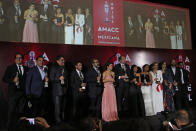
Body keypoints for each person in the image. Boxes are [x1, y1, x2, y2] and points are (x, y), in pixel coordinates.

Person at [3, 53, 28, 128]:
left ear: (23, 59)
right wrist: (13, 80)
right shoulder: (10, 68)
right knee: (11, 111)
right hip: (13, 93)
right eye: (17, 58)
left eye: (20, 58)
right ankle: (9, 126)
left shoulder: (26, 68)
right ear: (15, 59)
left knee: (21, 111)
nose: (19, 59)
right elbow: (4, 79)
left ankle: (19, 126)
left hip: (23, 94)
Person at [50, 55, 68, 123]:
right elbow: (51, 78)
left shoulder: (64, 68)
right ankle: (58, 121)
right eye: (61, 60)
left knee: (62, 107)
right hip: (57, 91)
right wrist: (58, 79)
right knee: (57, 107)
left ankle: (62, 119)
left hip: (64, 91)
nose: (63, 61)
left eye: (64, 60)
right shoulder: (54, 68)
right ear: (57, 61)